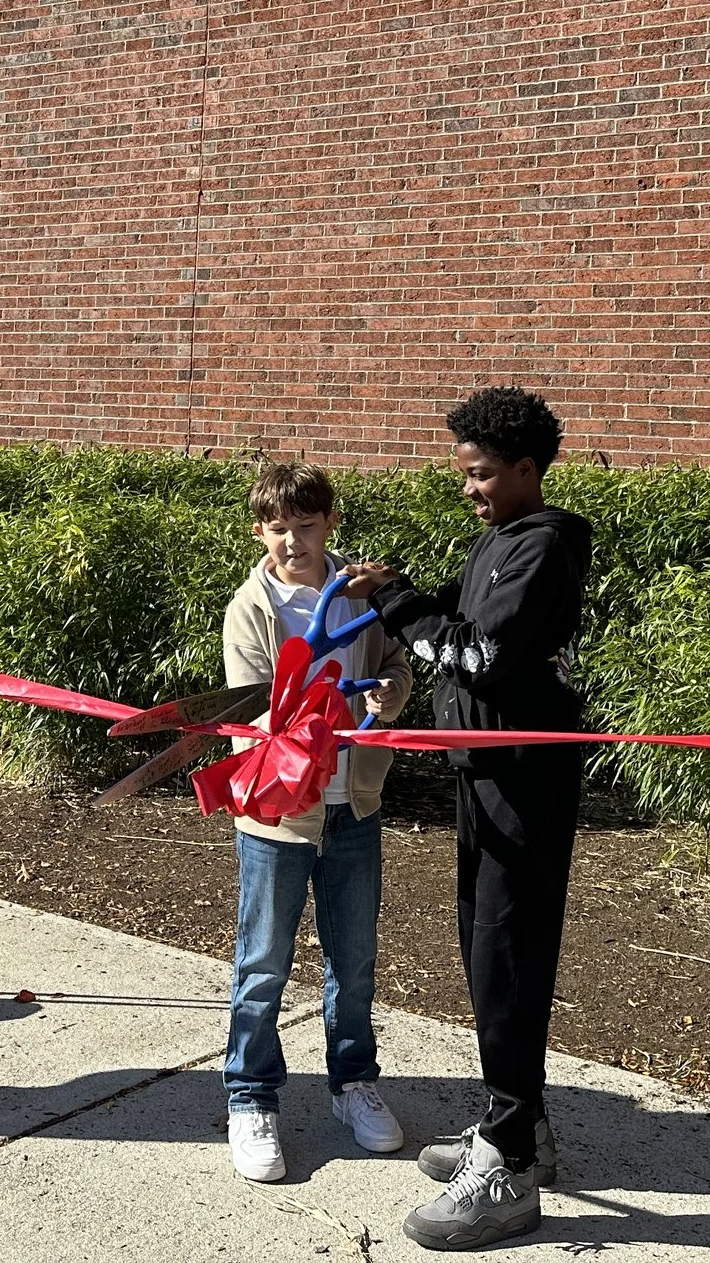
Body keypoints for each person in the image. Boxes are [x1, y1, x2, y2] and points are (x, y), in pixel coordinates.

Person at [346, 387, 593, 1251]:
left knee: (508, 959)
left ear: (527, 470)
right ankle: (516, 1124)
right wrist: (387, 591)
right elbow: (449, 617)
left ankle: (512, 1168)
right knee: (487, 954)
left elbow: (474, 654)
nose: (470, 488)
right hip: (483, 774)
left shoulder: (545, 547)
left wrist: (401, 605)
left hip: (524, 786)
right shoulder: (502, 541)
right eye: (465, 474)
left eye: (483, 474)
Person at [220, 461, 414, 1183]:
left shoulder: (363, 590)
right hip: (276, 815)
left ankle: (352, 1082)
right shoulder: (252, 607)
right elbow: (249, 709)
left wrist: (388, 691)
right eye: (278, 528)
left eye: (306, 525)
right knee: (263, 962)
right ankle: (251, 1095)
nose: (293, 540)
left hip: (353, 804)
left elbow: (394, 659)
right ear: (260, 531)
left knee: (353, 958)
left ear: (330, 522)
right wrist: (305, 718)